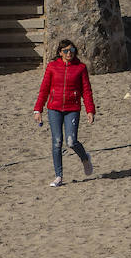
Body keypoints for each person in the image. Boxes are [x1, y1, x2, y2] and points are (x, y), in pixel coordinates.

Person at [34, 39, 96, 187]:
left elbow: (86, 91)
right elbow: (44, 89)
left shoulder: (80, 68)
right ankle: (58, 176)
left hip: (72, 109)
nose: (70, 53)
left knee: (71, 141)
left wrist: (90, 110)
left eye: (72, 51)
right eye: (66, 51)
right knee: (57, 142)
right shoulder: (52, 67)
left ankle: (85, 158)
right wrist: (38, 109)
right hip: (54, 108)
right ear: (60, 53)